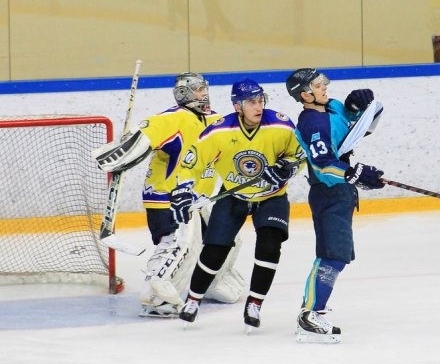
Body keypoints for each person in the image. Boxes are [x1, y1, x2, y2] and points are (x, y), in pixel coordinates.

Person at [93, 72, 245, 318]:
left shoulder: (215, 120)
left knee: (227, 237)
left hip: (198, 200)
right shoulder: (171, 119)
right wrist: (118, 155)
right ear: (184, 93)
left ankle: (211, 282)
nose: (204, 93)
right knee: (177, 244)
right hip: (167, 198)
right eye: (198, 89)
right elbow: (137, 143)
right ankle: (155, 298)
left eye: (204, 88)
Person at [170, 78, 304, 332]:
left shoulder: (281, 125)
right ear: (237, 106)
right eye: (251, 102)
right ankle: (193, 299)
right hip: (233, 195)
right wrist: (183, 189)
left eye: (260, 100)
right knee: (214, 250)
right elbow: (191, 163)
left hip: (272, 196)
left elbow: (300, 154)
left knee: (270, 245)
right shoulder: (219, 131)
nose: (258, 106)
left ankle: (255, 304)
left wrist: (289, 167)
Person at [285, 68, 386, 344]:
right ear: (305, 95)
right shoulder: (312, 124)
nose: (324, 88)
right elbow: (323, 165)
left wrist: (357, 108)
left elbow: (358, 130)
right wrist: (352, 173)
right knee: (332, 256)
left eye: (323, 83)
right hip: (328, 192)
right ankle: (310, 314)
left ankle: (313, 308)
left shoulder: (332, 106)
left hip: (341, 192)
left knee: (337, 255)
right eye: (318, 85)